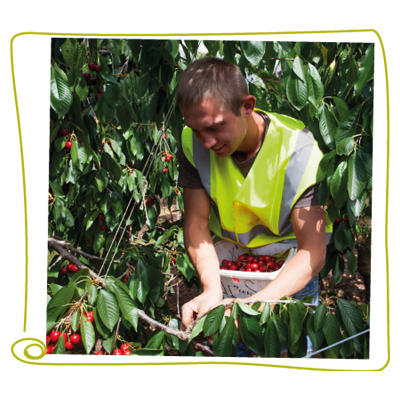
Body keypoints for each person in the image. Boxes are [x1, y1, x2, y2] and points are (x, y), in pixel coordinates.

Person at [175, 56, 332, 361]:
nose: (206, 142)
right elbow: (196, 223)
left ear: (247, 106)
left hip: (289, 274)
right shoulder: (192, 144)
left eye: (215, 127)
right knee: (234, 358)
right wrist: (211, 288)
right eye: (195, 130)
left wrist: (256, 306)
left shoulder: (298, 152)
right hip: (230, 269)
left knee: (293, 359)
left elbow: (312, 252)